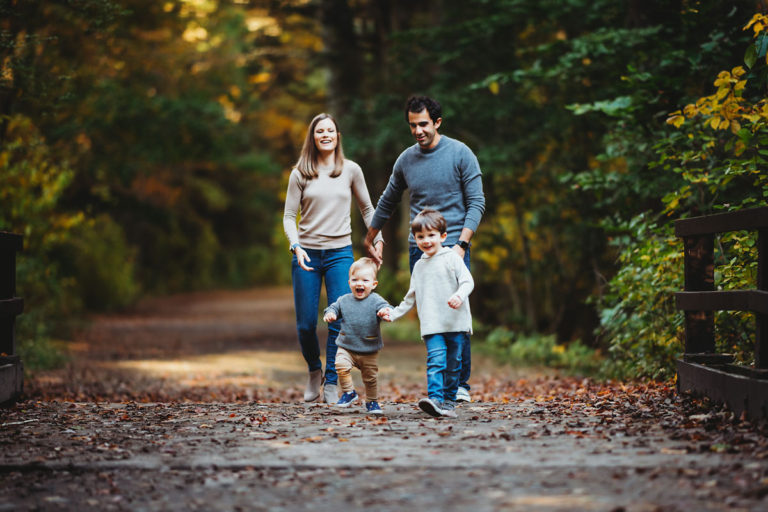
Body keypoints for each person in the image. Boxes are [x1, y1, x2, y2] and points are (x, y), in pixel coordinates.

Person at [364, 96, 484, 402]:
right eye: (412, 125)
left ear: (437, 122)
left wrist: (461, 244)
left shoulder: (461, 153)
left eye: (423, 124)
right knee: (431, 316)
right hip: (419, 249)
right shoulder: (406, 159)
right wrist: (371, 235)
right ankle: (439, 385)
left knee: (456, 314)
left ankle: (460, 386)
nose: (417, 130)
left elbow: (476, 203)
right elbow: (388, 199)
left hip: (453, 247)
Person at [283, 113, 384, 404]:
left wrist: (376, 237)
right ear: (312, 138)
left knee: (340, 319)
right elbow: (290, 216)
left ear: (338, 135)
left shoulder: (351, 170)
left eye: (330, 130)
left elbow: (367, 209)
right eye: (319, 131)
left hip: (340, 253)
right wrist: (296, 245)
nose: (325, 135)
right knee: (305, 324)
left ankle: (331, 380)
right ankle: (314, 368)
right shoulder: (300, 173)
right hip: (307, 254)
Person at [379, 209, 474, 418]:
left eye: (431, 235)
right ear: (415, 239)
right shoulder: (420, 266)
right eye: (420, 237)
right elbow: (410, 297)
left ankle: (449, 400)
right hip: (432, 325)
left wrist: (459, 295)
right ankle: (435, 399)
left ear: (442, 236)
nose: (426, 240)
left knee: (453, 364)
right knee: (436, 360)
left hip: (456, 323)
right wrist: (393, 314)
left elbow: (468, 281)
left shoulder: (452, 258)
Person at [323, 257, 391, 415]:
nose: (359, 284)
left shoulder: (376, 300)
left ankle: (372, 402)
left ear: (373, 284)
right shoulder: (344, 300)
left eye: (365, 280)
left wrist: (385, 312)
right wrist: (331, 313)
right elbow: (332, 308)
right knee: (340, 364)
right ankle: (349, 392)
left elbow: (387, 307)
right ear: (349, 283)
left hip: (369, 349)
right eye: (355, 280)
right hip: (346, 346)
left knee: (370, 378)